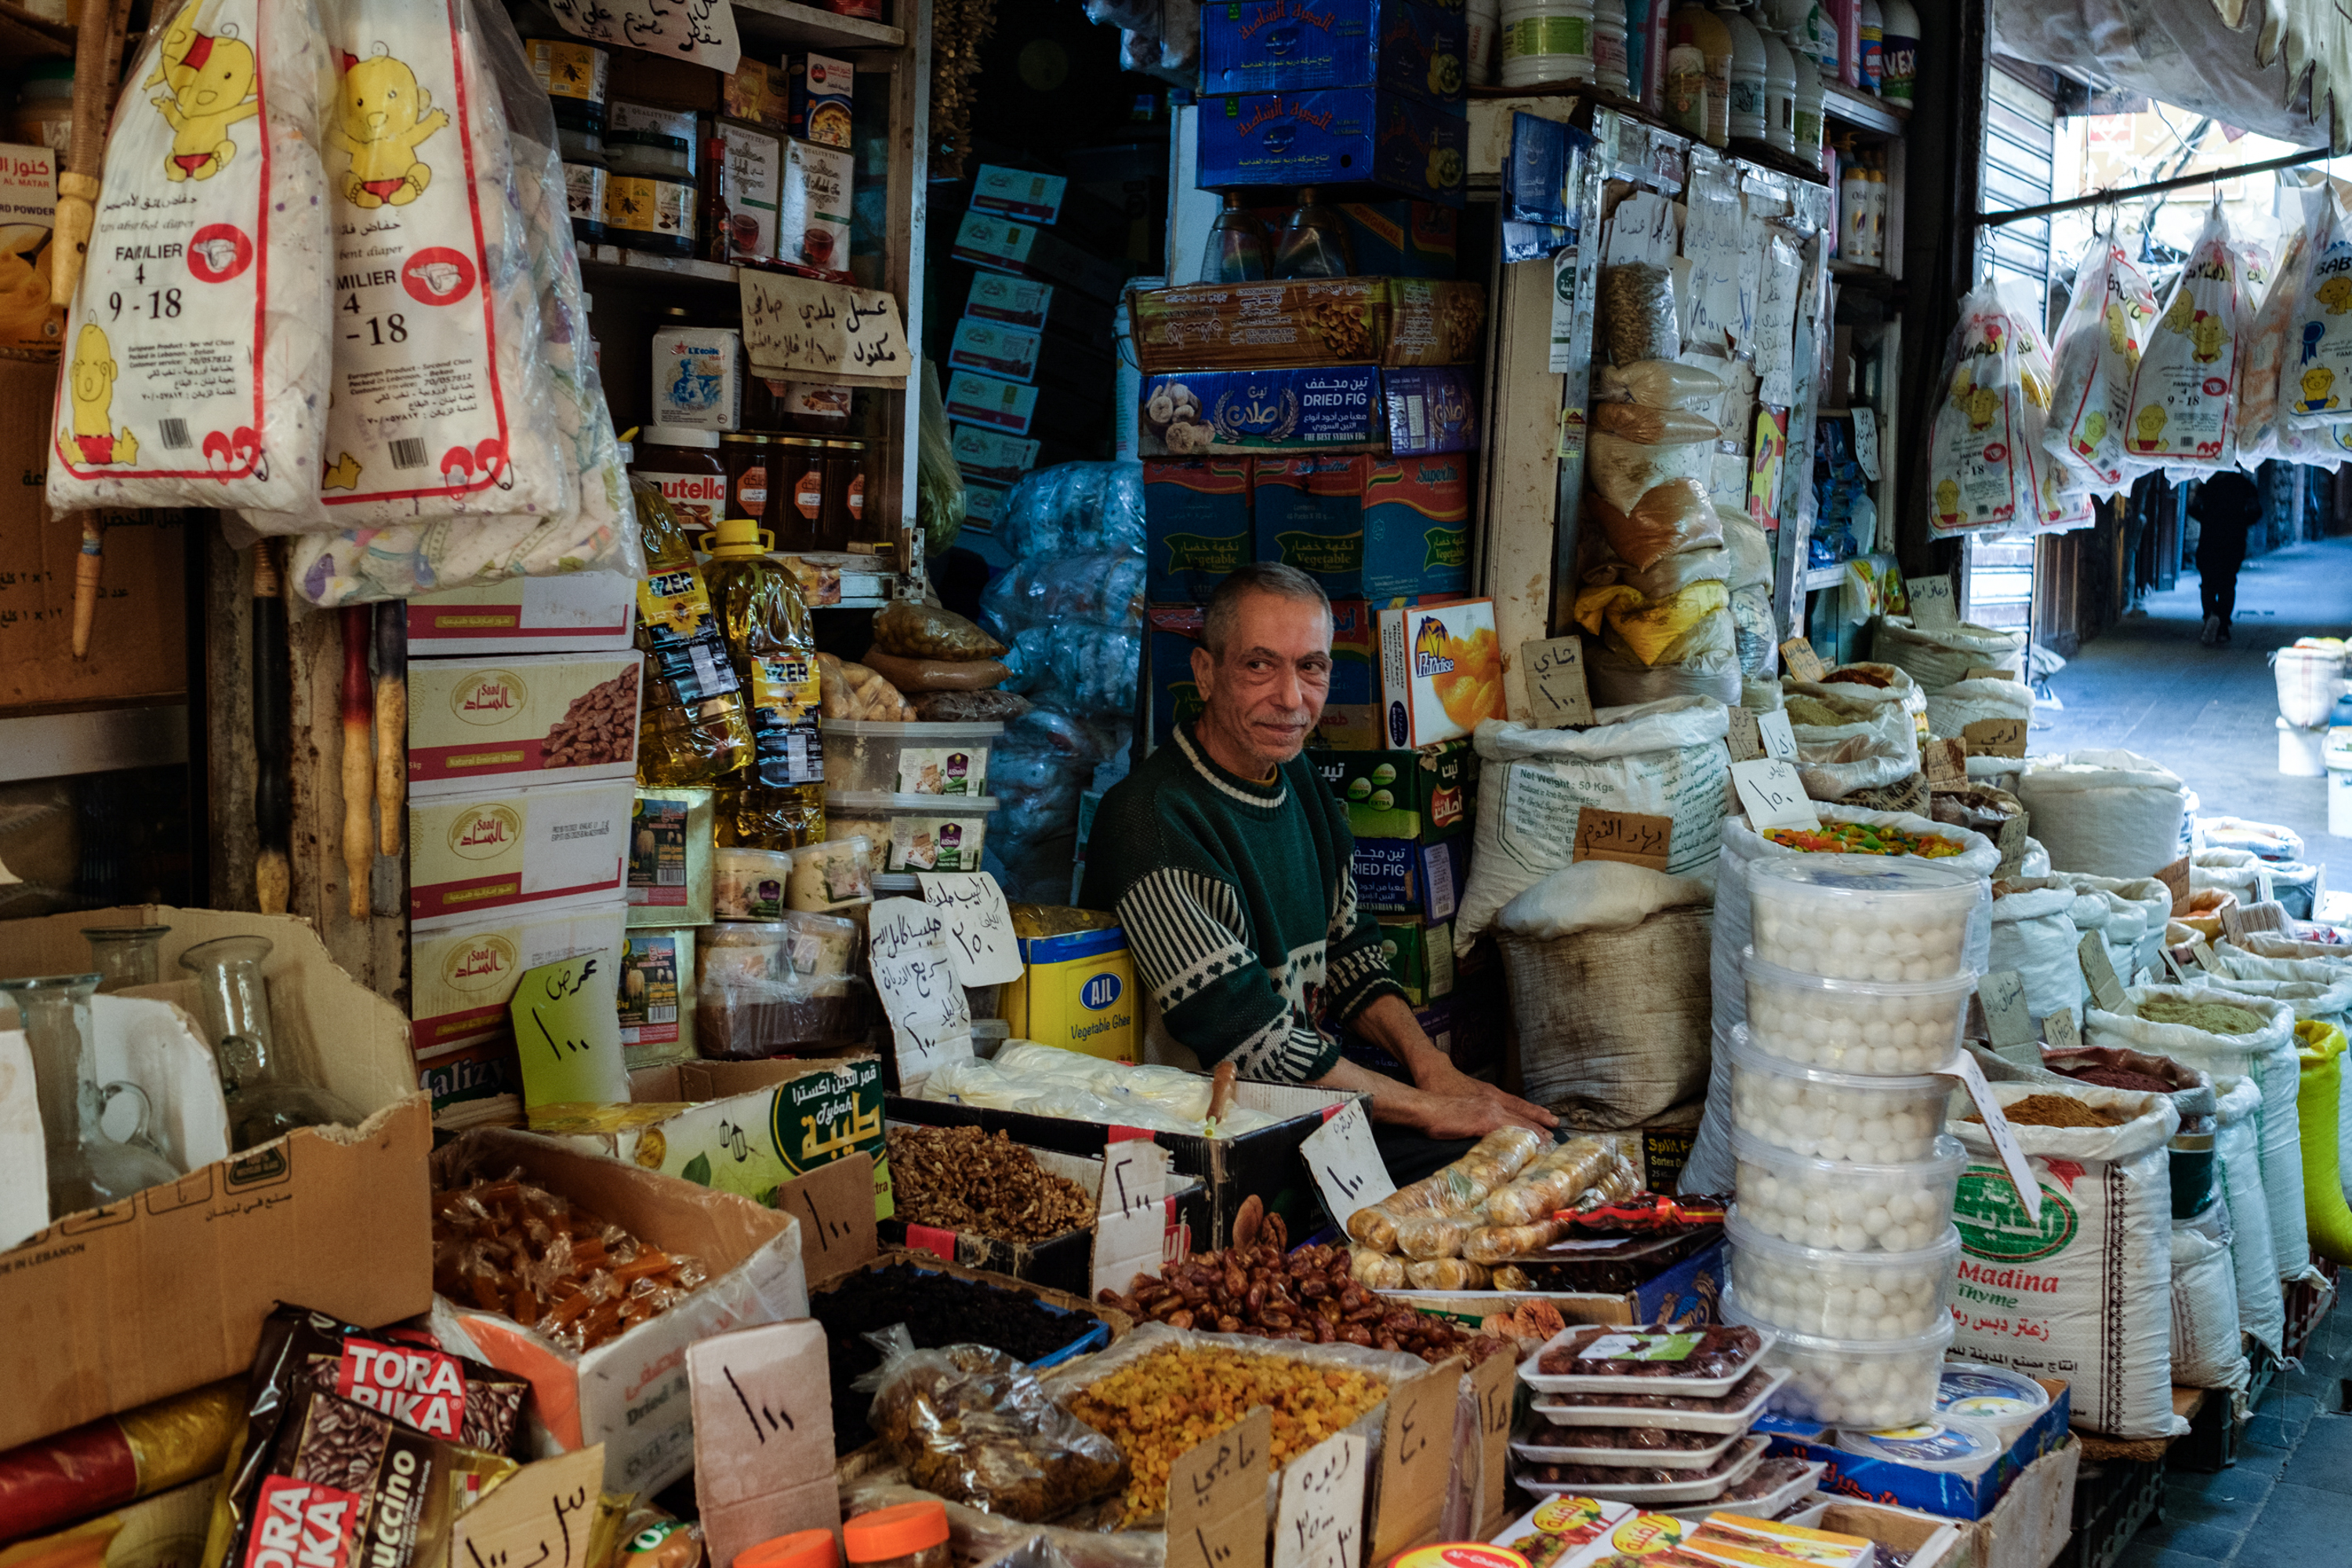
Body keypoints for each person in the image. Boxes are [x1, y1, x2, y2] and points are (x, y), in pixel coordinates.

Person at [1080, 562, 1555, 1181]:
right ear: (1205, 673)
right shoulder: (1150, 821)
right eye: (1259, 665)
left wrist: (1434, 1070)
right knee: (1476, 1167)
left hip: (1300, 1110)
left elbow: (1352, 954)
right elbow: (1252, 1044)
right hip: (1208, 1141)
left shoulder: (1298, 776)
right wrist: (1433, 1111)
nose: (1290, 699)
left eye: (1311, 667)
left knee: (1540, 1152)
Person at [2190, 470, 2262, 645]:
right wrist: (2241, 522)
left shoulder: (2207, 484)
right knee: (2228, 583)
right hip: (2234, 541)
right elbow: (2256, 511)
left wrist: (2208, 519)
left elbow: (2193, 508)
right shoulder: (2245, 485)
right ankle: (2222, 626)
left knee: (2207, 583)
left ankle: (2210, 616)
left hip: (2210, 539)